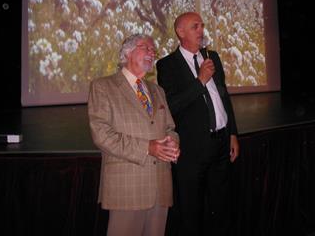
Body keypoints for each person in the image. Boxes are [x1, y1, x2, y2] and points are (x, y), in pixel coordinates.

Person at [88, 34, 180, 236]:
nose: (151, 53)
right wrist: (147, 148)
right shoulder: (103, 86)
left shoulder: (157, 90)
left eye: (153, 50)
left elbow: (170, 128)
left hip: (160, 187)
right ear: (127, 52)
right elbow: (102, 135)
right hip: (127, 188)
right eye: (146, 48)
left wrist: (173, 143)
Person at [156, 12, 239, 236]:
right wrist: (200, 80)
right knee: (191, 211)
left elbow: (223, 97)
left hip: (221, 142)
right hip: (192, 149)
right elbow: (173, 104)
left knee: (222, 207)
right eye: (195, 26)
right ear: (180, 32)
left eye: (202, 26)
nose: (201, 30)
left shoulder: (213, 57)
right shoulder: (167, 65)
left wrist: (232, 134)